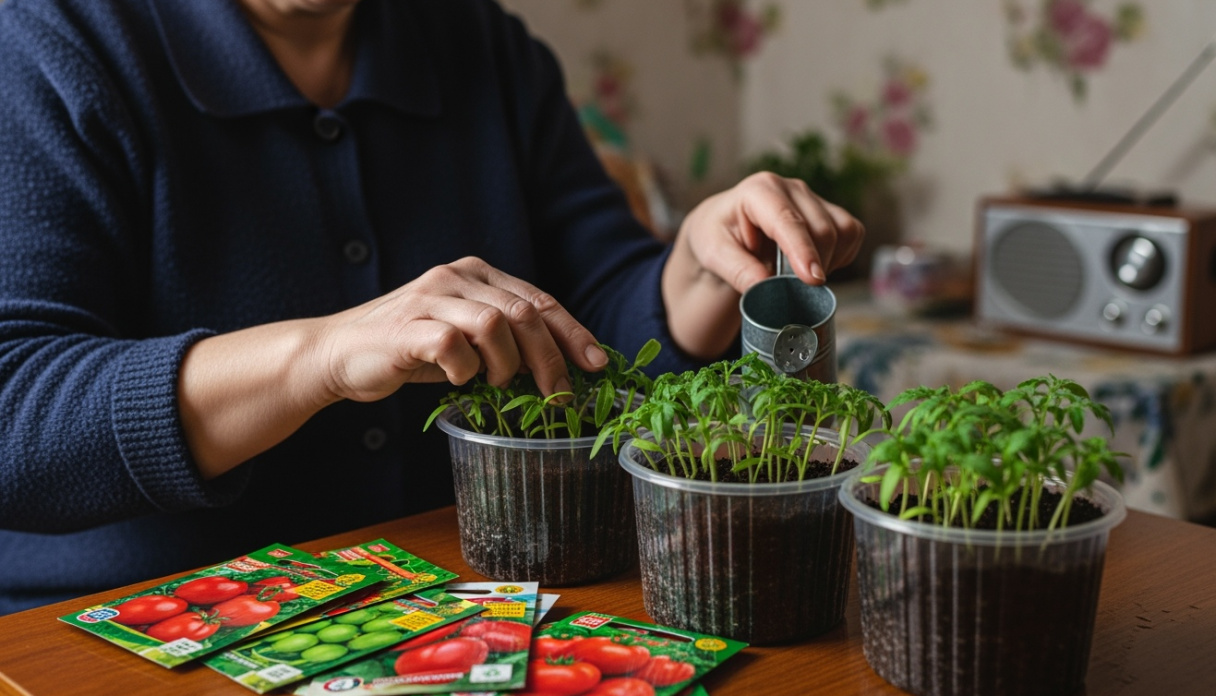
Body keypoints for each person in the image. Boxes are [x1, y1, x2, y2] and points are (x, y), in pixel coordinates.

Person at [0, 0, 863, 615]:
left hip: (453, 596)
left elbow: (594, 314)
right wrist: (322, 355)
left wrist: (703, 272)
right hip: (132, 623)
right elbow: (15, 416)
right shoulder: (49, 42)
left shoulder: (480, 42)